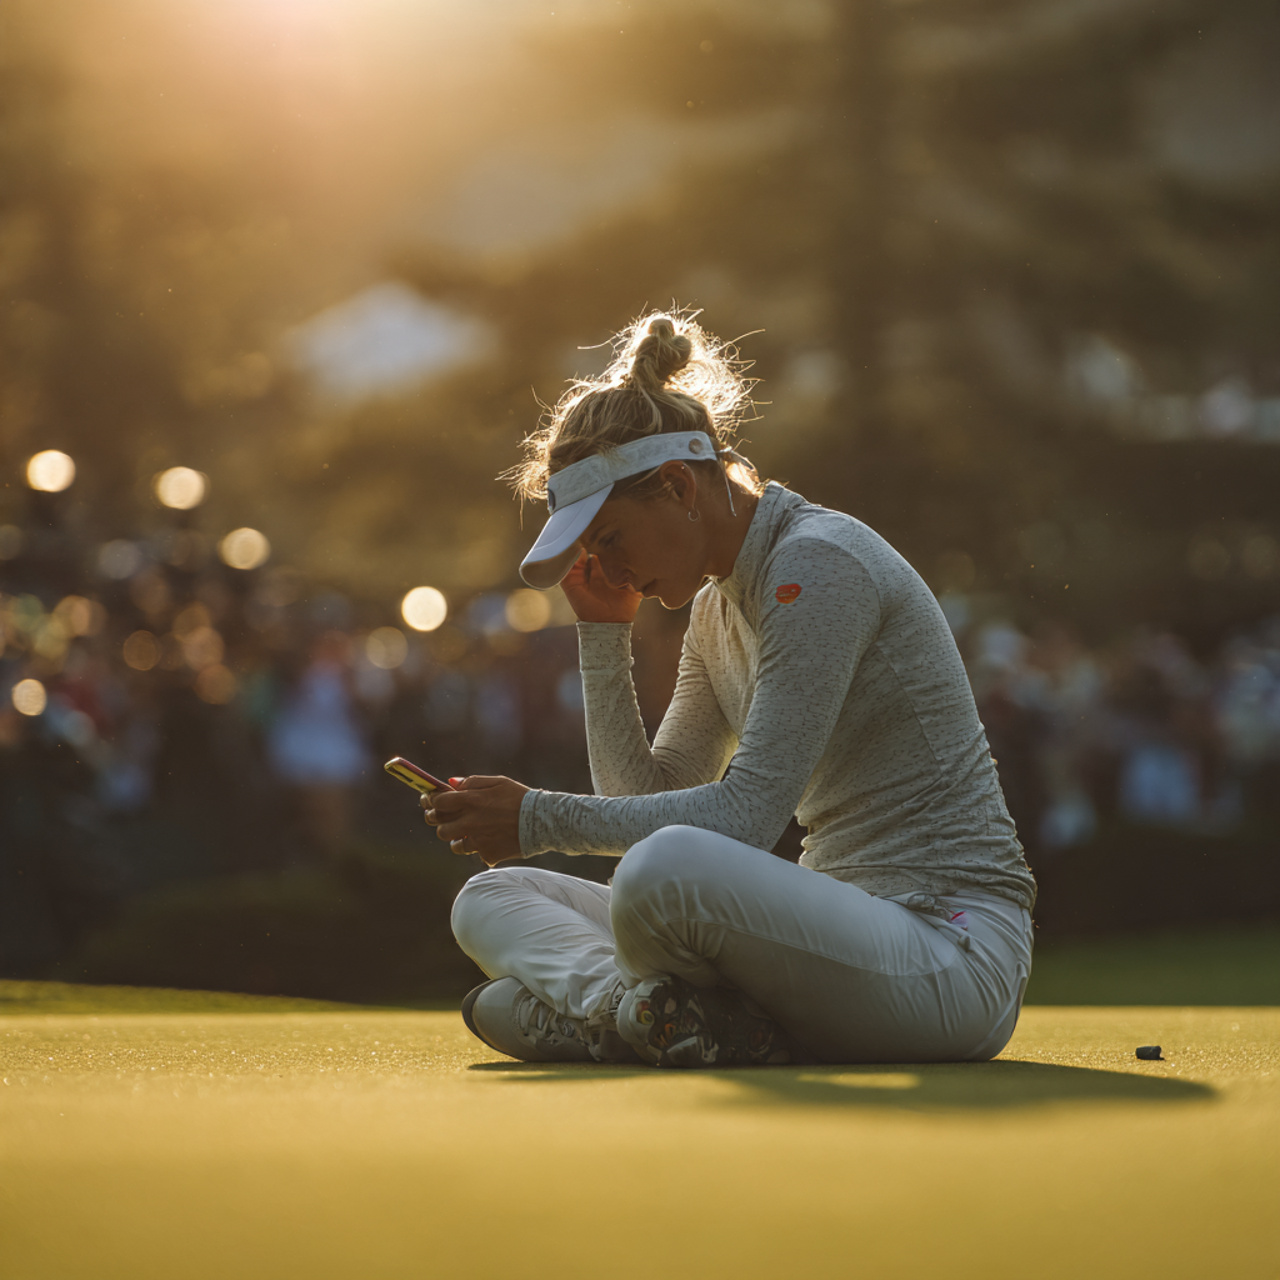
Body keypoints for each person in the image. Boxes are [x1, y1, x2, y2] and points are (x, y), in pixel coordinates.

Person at [423, 311, 1036, 1068]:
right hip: (826, 953)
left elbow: (741, 819)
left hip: (950, 953)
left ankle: (612, 1015)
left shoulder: (816, 565)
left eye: (609, 541)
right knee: (493, 898)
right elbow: (642, 797)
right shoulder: (717, 607)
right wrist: (602, 637)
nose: (608, 573)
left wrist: (539, 818)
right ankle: (642, 1011)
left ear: (679, 485)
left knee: (648, 884)